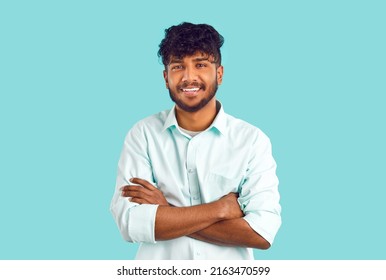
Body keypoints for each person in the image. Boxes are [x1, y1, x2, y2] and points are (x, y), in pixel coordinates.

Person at [110, 22, 281, 260]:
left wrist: (168, 212)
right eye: (178, 66)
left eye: (200, 64)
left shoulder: (252, 141)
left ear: (219, 74)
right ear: (166, 77)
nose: (189, 77)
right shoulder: (143, 135)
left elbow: (261, 234)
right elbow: (131, 224)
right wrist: (219, 209)